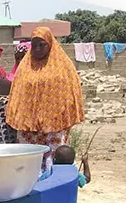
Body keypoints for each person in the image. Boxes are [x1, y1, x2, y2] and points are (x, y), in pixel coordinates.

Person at [6, 27, 85, 179]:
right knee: (29, 163)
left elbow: (70, 93)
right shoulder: (25, 67)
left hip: (55, 125)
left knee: (53, 160)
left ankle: (53, 187)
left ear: (50, 44)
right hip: (28, 127)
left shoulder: (63, 67)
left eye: (42, 45)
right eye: (34, 45)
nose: (37, 49)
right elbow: (17, 93)